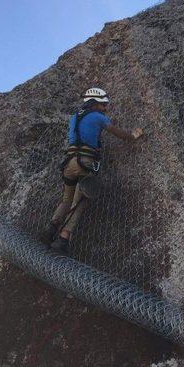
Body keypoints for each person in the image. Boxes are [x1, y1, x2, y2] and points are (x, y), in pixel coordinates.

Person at [44, 87, 143, 254]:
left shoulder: (74, 118)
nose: (105, 107)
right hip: (86, 164)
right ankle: (63, 239)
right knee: (80, 202)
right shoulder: (98, 117)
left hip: (69, 164)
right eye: (103, 104)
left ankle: (50, 229)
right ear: (94, 103)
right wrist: (132, 136)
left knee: (66, 199)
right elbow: (116, 132)